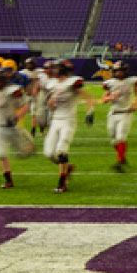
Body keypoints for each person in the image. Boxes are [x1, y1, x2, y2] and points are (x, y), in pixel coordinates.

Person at [40, 59, 83, 193]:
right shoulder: (52, 83)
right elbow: (50, 101)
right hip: (55, 120)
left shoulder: (73, 81)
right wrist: (50, 103)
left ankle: (62, 183)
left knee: (61, 151)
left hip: (68, 120)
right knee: (49, 153)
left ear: (63, 69)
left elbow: (83, 94)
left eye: (56, 68)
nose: (53, 71)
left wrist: (90, 108)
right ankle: (67, 167)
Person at [96, 58, 137, 172]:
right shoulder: (110, 83)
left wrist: (136, 105)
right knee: (114, 141)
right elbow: (104, 99)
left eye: (121, 71)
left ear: (125, 71)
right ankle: (122, 157)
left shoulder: (131, 81)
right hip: (113, 113)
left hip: (126, 112)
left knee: (121, 137)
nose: (119, 73)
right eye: (117, 71)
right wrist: (111, 97)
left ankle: (119, 162)